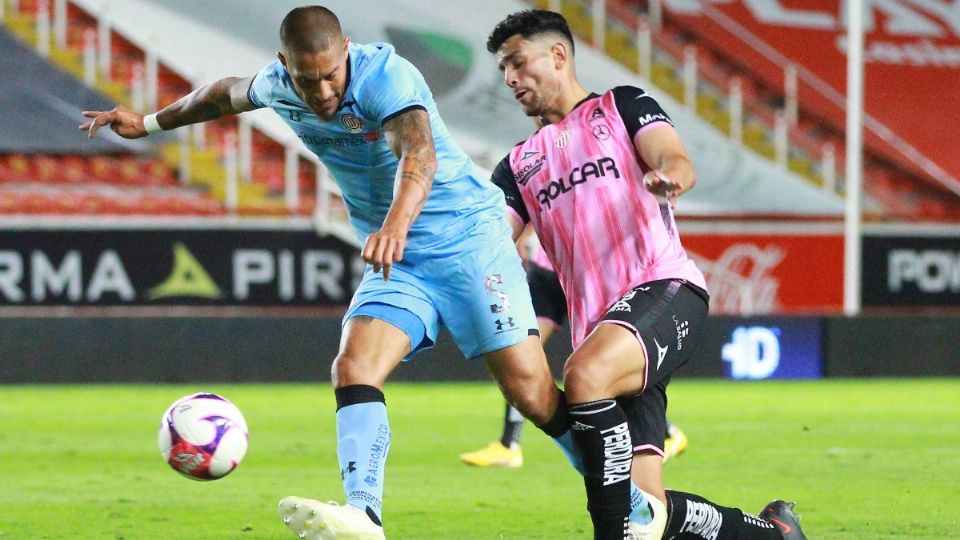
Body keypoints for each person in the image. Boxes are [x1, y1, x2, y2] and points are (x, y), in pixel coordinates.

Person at [80, 6, 665, 539]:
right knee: (354, 364)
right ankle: (364, 512)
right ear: (286, 67)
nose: (326, 91)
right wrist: (150, 123)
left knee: (534, 396)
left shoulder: (387, 76)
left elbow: (419, 154)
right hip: (402, 259)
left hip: (469, 243)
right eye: (309, 80)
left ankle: (630, 503)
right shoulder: (277, 84)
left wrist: (394, 224)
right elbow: (222, 94)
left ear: (348, 51)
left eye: (333, 73)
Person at [486, 10, 807, 540]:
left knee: (583, 376)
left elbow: (673, 156)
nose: (510, 80)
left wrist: (670, 176)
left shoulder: (623, 106)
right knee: (647, 515)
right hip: (603, 335)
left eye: (518, 63)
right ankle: (773, 533)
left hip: (665, 290)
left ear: (559, 56)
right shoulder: (517, 165)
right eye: (503, 71)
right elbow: (491, 241)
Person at [460, 237, 688, 469]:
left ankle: (665, 430)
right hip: (546, 274)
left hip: (586, 274)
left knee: (602, 366)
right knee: (519, 351)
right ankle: (509, 445)